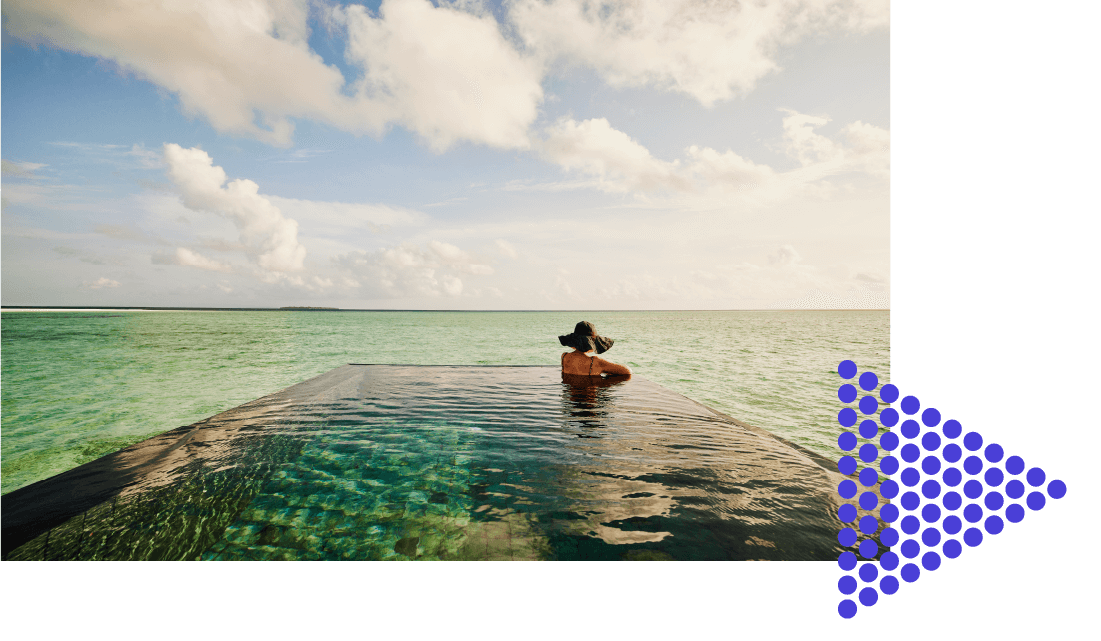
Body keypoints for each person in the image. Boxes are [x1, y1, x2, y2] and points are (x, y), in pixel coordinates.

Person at [558, 321, 631, 377]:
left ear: (574, 342)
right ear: (593, 344)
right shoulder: (595, 362)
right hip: (589, 396)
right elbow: (627, 371)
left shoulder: (564, 356)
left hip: (570, 396)